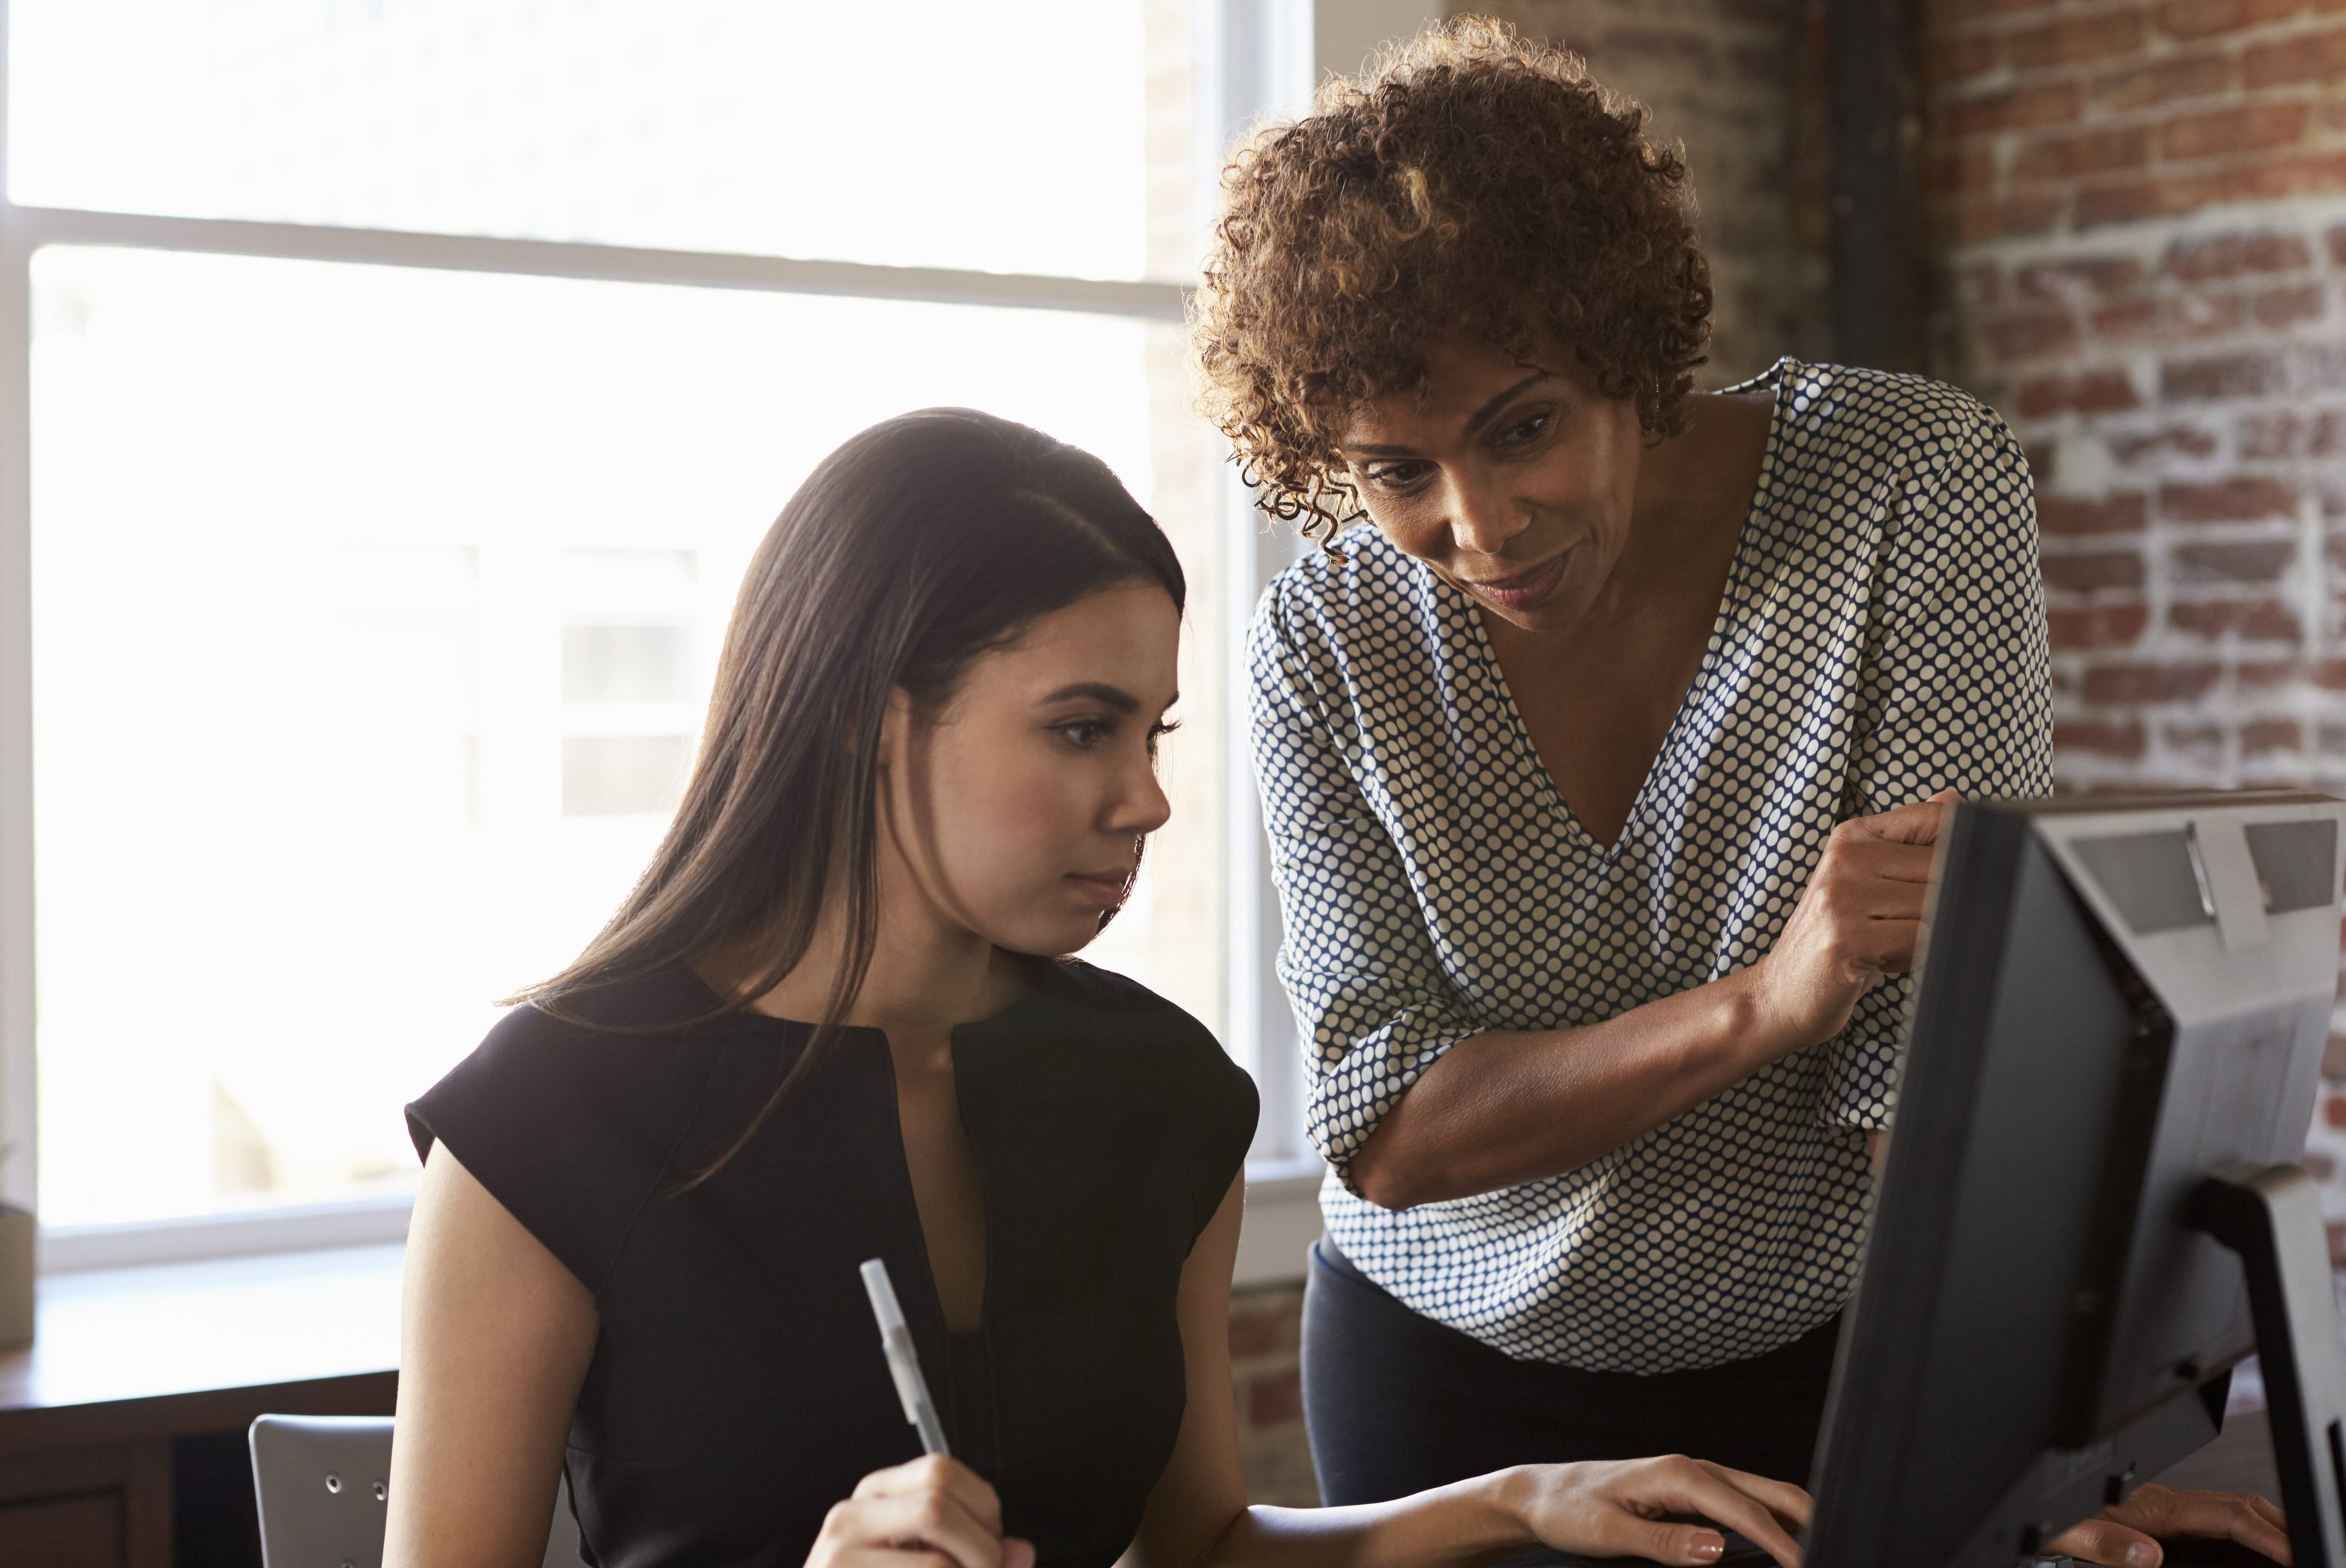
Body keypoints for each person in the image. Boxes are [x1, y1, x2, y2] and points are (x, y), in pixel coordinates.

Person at [1192, 20, 2287, 1568]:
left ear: (1629, 353)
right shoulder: (1321, 643)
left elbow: (1926, 1055)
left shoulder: (1905, 484)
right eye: (1392, 470)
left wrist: (2039, 1465)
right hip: (1440, 1377)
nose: (1478, 525)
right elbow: (1381, 1122)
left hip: (1828, 1361)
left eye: (1522, 427)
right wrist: (1765, 1002)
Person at [384, 408, 1818, 1568]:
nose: (1144, 800)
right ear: (860, 723)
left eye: (1152, 734)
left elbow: (1196, 1545)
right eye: (1080, 730)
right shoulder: (547, 1123)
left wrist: (1514, 1502)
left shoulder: (1163, 1094)